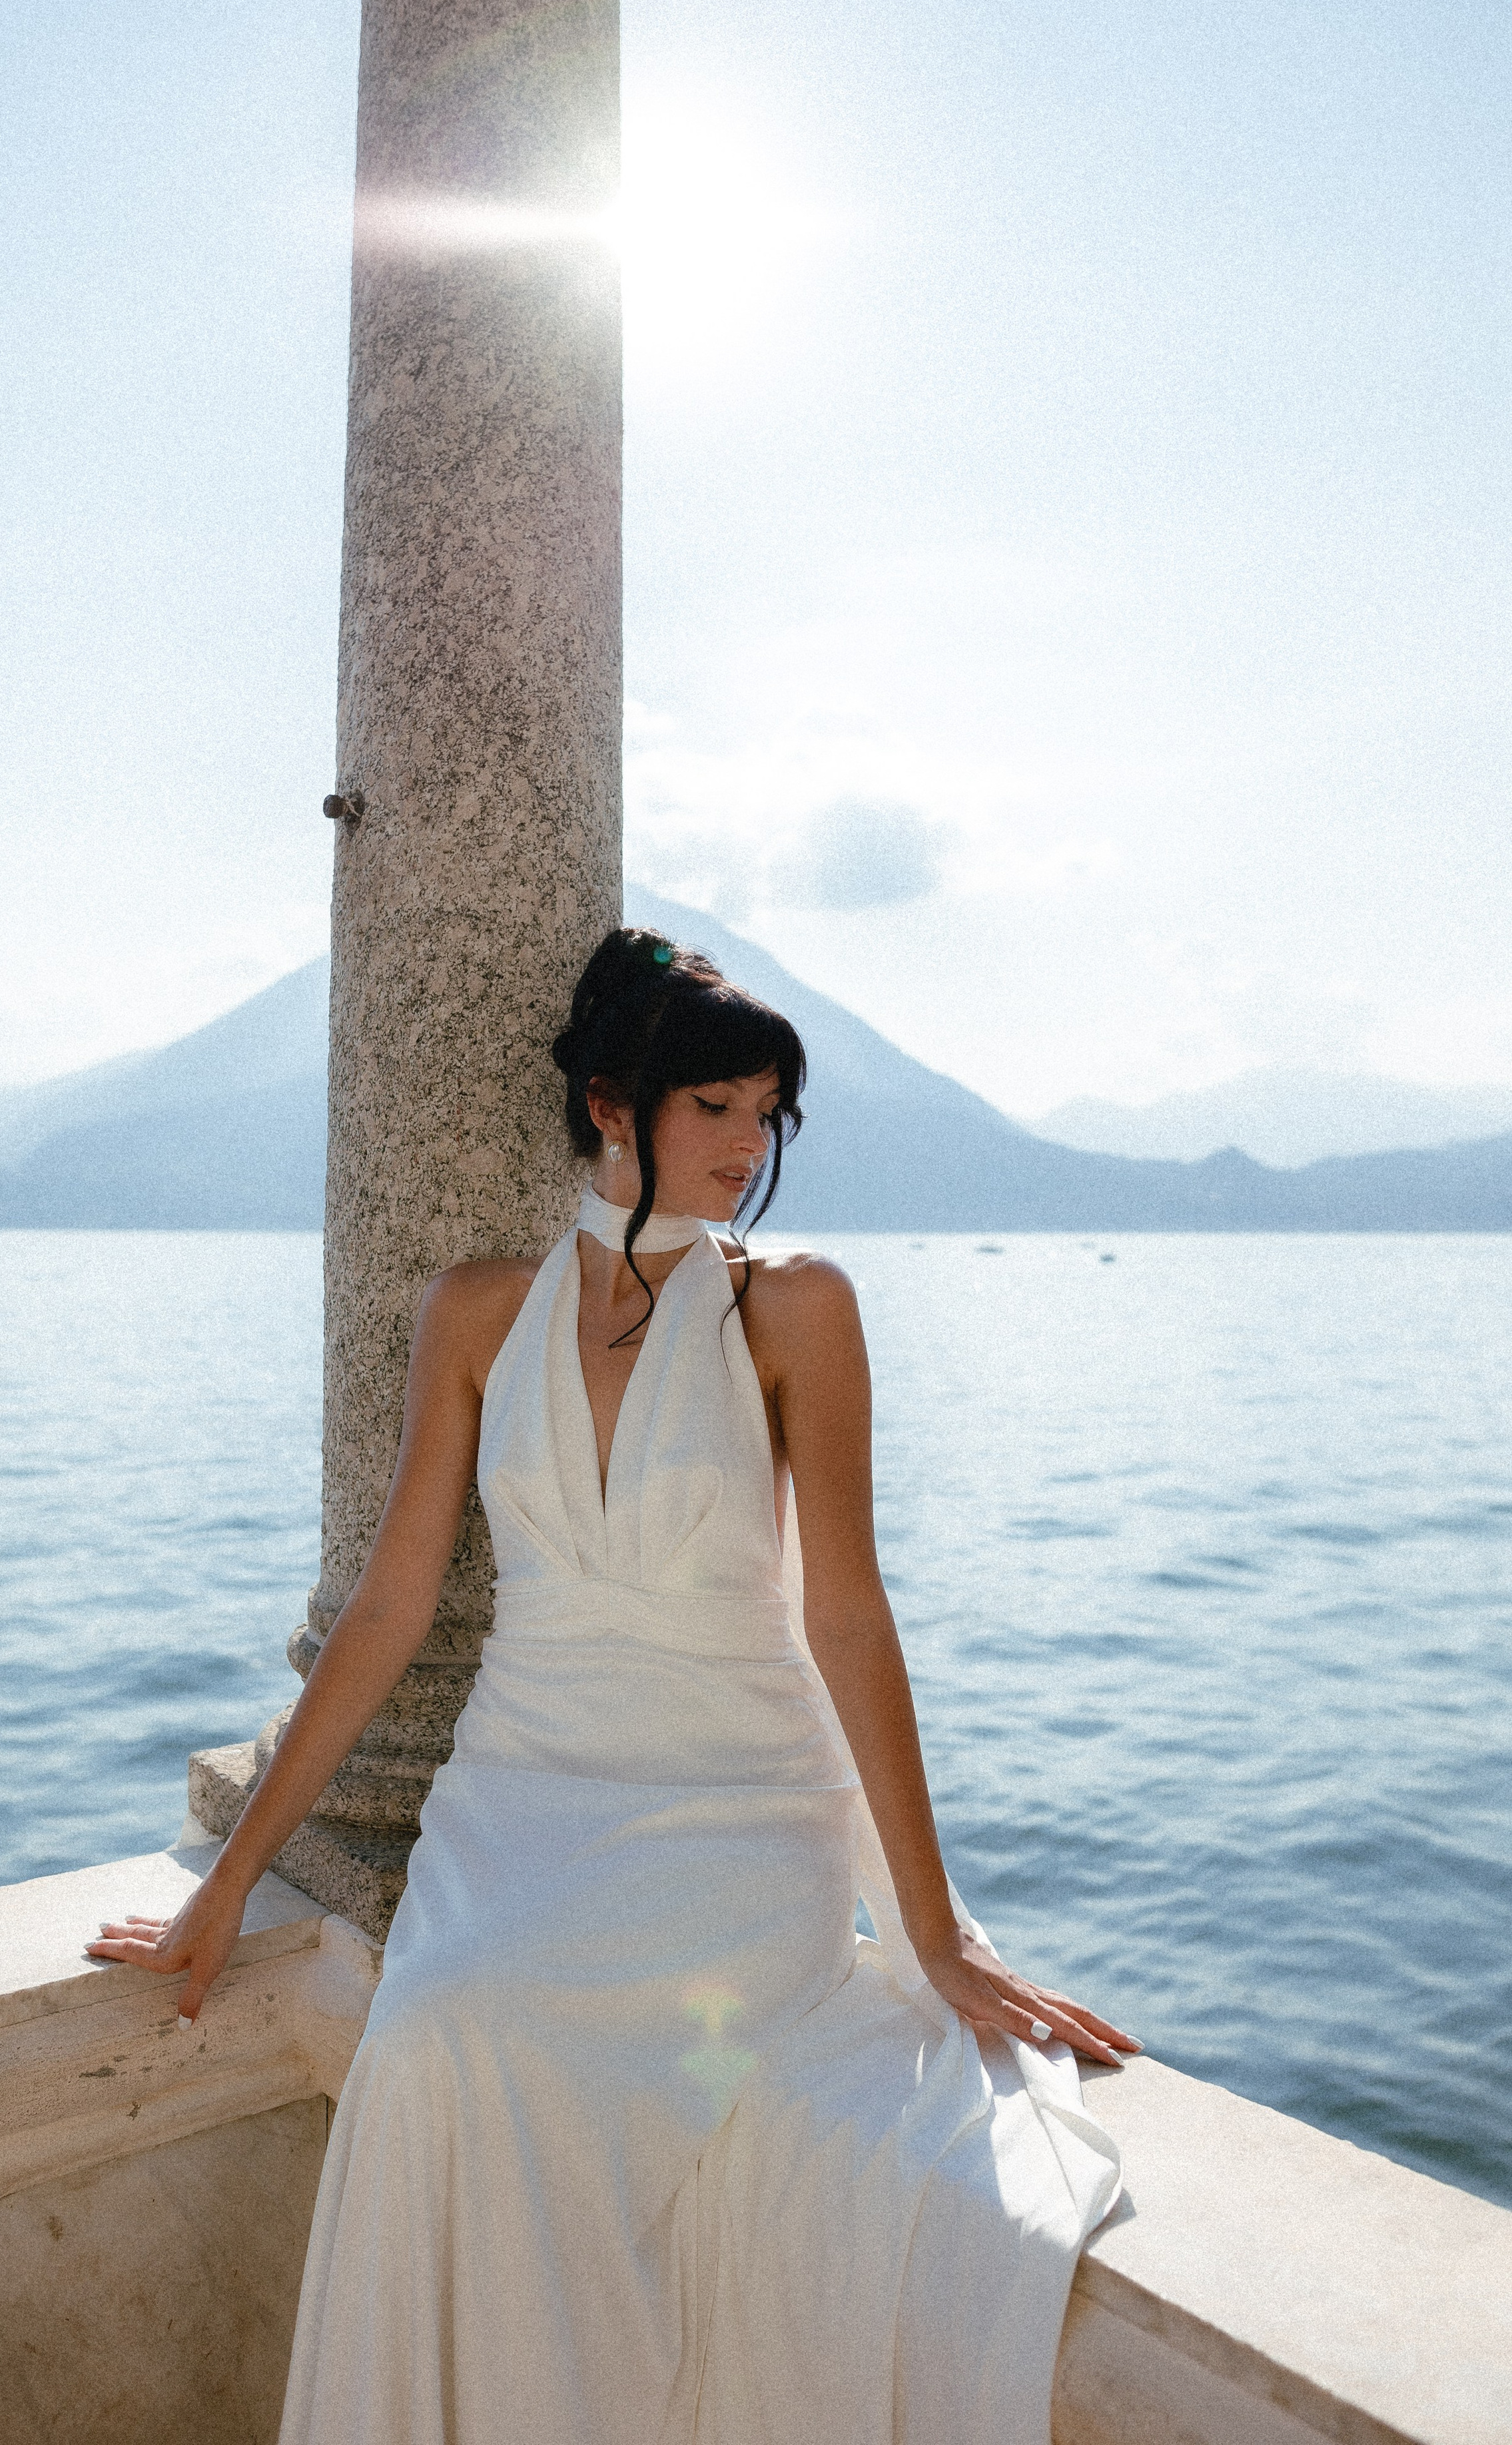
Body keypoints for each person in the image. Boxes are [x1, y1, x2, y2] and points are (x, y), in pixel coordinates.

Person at [90, 925, 1135, 2444]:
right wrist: (225, 1887)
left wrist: (929, 1929)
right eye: (711, 1106)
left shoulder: (798, 1307)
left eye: (763, 1113)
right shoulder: (472, 1310)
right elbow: (388, 1607)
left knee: (547, 2055)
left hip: (735, 1800)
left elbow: (844, 1615)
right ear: (607, 1104)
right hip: (520, 1789)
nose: (745, 1143)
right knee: (444, 2031)